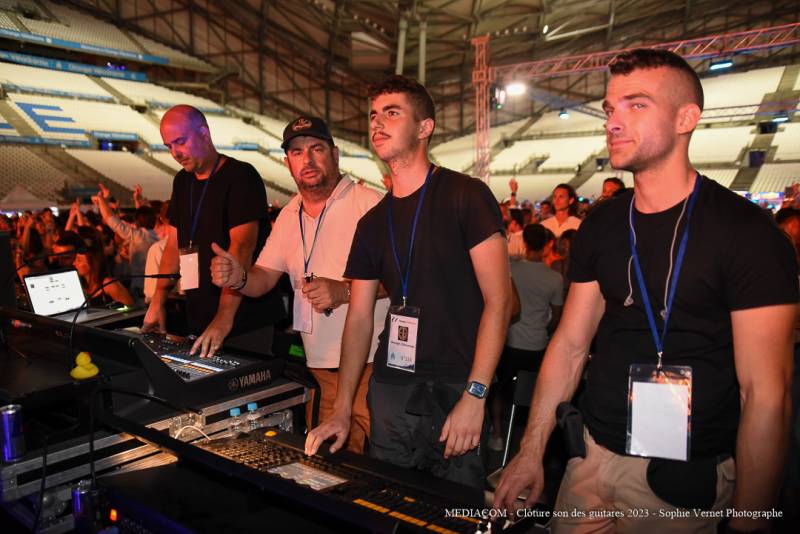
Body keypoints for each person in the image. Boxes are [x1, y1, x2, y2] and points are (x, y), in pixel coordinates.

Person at [494, 48, 798, 533]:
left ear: (686, 118)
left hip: (683, 477)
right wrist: (531, 452)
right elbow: (571, 346)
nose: (613, 121)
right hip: (589, 457)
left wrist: (749, 520)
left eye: (636, 105)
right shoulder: (602, 225)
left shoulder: (749, 234)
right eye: (611, 108)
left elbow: (766, 394)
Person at [305, 75, 512, 490]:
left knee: (456, 511)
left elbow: (501, 302)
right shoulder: (371, 223)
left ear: (424, 127)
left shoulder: (465, 195)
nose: (377, 123)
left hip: (457, 382)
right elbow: (360, 318)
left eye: (392, 113)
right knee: (391, 506)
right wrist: (344, 407)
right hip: (391, 388)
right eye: (373, 115)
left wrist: (476, 393)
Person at [210, 116, 389, 453]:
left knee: (380, 470)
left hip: (372, 367)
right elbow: (263, 278)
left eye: (316, 148)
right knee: (332, 471)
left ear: (335, 155)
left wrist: (345, 291)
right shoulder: (289, 215)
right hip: (318, 370)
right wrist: (240, 277)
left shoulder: (371, 204)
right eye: (296, 152)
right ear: (286, 162)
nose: (306, 159)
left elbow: (405, 280)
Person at [142, 105, 283, 357]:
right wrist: (158, 299)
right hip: (199, 317)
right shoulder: (182, 181)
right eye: (168, 146)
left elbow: (242, 249)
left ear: (204, 134)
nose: (175, 152)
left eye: (180, 142)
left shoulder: (241, 176)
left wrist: (223, 319)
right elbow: (174, 246)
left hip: (243, 321)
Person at [489, 224, 563, 450]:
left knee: (499, 390)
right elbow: (557, 316)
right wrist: (543, 328)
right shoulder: (555, 278)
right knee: (534, 394)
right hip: (536, 344)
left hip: (510, 342)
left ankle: (498, 435)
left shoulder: (512, 269)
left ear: (524, 243)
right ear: (547, 245)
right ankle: (528, 441)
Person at [93, 187, 158, 302]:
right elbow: (143, 219)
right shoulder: (156, 236)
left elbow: (111, 220)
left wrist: (101, 200)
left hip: (142, 290)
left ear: (137, 221)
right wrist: (137, 200)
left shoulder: (139, 236)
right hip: (155, 287)